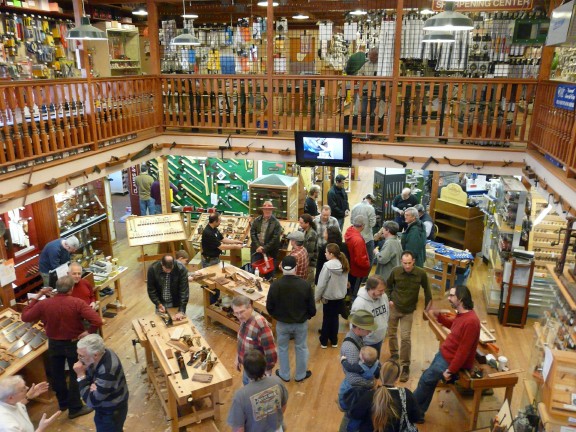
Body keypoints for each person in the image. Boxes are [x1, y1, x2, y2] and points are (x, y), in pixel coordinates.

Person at [21, 276, 102, 419]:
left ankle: (63, 403)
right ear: (71, 289)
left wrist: (38, 296)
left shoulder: (44, 304)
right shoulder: (77, 303)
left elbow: (25, 317)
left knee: (57, 374)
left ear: (56, 288)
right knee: (75, 373)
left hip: (54, 344)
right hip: (73, 344)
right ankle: (75, 408)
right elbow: (97, 320)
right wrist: (87, 332)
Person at [414, 285, 481, 423]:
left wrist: (450, 371)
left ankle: (406, 409)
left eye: (451, 296)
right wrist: (439, 316)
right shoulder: (463, 314)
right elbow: (454, 326)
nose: (449, 298)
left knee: (425, 380)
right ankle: (418, 414)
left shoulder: (471, 321)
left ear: (460, 298)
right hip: (444, 354)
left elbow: (463, 351)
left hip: (449, 361)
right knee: (429, 383)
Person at [266, 256, 316, 383]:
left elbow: (269, 307)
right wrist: (307, 316)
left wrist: (276, 316)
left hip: (282, 324)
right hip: (300, 323)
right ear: (296, 268)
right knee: (301, 347)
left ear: (282, 267)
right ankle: (300, 375)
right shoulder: (305, 285)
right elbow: (312, 309)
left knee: (282, 348)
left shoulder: (275, 285)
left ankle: (284, 374)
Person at [386, 251, 432, 382]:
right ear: (401, 262)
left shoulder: (421, 273)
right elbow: (388, 286)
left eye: (409, 263)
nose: (407, 266)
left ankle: (405, 366)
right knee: (391, 333)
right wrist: (389, 299)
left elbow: (427, 290)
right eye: (404, 263)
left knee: (406, 338)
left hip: (408, 311)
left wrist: (427, 309)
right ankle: (394, 354)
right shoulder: (395, 271)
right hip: (394, 307)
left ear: (414, 262)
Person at [74, 334, 129, 432]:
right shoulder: (104, 353)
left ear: (95, 355)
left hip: (111, 412)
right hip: (108, 408)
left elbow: (91, 401)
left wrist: (81, 376)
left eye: (81, 356)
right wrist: (91, 385)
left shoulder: (107, 371)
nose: (78, 359)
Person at [348, 359, 421, 432]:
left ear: (380, 376)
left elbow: (355, 414)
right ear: (397, 379)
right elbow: (416, 417)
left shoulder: (369, 396)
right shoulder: (406, 394)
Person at [227, 349, 288, 432]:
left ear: (246, 371)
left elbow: (239, 429)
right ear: (264, 366)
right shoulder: (277, 382)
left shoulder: (240, 396)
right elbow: (283, 406)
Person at [338, 310, 378, 432]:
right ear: (359, 328)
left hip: (358, 391)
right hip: (353, 392)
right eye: (368, 329)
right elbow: (352, 378)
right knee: (351, 420)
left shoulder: (358, 338)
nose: (370, 331)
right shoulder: (350, 347)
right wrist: (371, 383)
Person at [232, 295, 277, 385]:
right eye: (236, 313)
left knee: (254, 395)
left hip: (259, 373)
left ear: (250, 307)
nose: (239, 316)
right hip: (248, 367)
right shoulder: (244, 320)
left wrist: (267, 372)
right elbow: (242, 340)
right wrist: (238, 357)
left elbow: (270, 351)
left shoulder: (260, 323)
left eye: (241, 312)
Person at [316, 243, 349, 348]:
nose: (325, 254)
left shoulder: (327, 266)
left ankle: (324, 341)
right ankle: (334, 341)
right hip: (340, 297)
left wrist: (317, 297)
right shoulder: (344, 264)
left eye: (326, 252)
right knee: (335, 319)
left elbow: (321, 284)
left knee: (326, 319)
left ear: (331, 253)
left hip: (328, 297)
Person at [351, 275, 389, 356]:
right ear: (371, 289)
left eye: (383, 290)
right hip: (367, 343)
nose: (383, 292)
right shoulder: (360, 304)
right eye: (380, 290)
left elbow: (386, 313)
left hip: (379, 338)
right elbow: (354, 326)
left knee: (375, 364)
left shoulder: (383, 296)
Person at [146, 254, 189, 321]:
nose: (169, 271)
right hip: (160, 302)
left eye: (170, 269)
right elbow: (151, 290)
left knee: (177, 324)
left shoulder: (181, 268)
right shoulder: (153, 269)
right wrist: (158, 304)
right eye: (166, 269)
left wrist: (181, 310)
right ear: (162, 264)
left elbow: (184, 291)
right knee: (161, 325)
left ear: (173, 264)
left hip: (176, 302)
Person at [250, 201, 283, 271]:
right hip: (257, 249)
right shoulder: (257, 220)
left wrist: (264, 248)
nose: (267, 210)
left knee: (269, 271)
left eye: (269, 209)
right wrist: (258, 246)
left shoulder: (276, 223)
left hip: (270, 251)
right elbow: (253, 233)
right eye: (265, 209)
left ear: (272, 210)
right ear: (262, 210)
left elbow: (275, 239)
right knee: (255, 271)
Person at [344, 215, 371, 298]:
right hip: (357, 270)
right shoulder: (358, 240)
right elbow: (360, 259)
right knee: (354, 292)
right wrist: (367, 265)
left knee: (349, 290)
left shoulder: (349, 232)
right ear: (362, 225)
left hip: (350, 268)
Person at [350, 193, 377, 267]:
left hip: (355, 237)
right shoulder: (370, 208)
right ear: (371, 200)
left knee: (356, 258)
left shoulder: (355, 206)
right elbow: (372, 224)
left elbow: (352, 221)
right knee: (369, 259)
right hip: (367, 238)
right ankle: (364, 278)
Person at [299, 214, 318, 284]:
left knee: (309, 284)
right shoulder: (305, 231)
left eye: (301, 223)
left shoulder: (311, 234)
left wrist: (303, 263)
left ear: (307, 223)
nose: (299, 224)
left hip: (310, 264)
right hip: (307, 263)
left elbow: (309, 252)